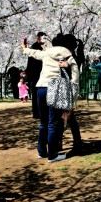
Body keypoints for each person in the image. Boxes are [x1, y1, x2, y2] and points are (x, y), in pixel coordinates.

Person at [22, 34, 79, 162]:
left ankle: (42, 152)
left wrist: (24, 49)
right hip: (54, 87)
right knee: (53, 122)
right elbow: (75, 71)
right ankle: (53, 155)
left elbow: (34, 53)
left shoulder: (47, 52)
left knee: (43, 122)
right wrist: (74, 89)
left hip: (40, 88)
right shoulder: (67, 52)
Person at [25, 32, 48, 119]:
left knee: (40, 94)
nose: (44, 40)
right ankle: (37, 112)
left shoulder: (44, 48)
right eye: (42, 38)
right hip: (36, 74)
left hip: (41, 73)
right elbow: (31, 62)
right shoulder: (35, 47)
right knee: (36, 94)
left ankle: (39, 112)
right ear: (38, 38)